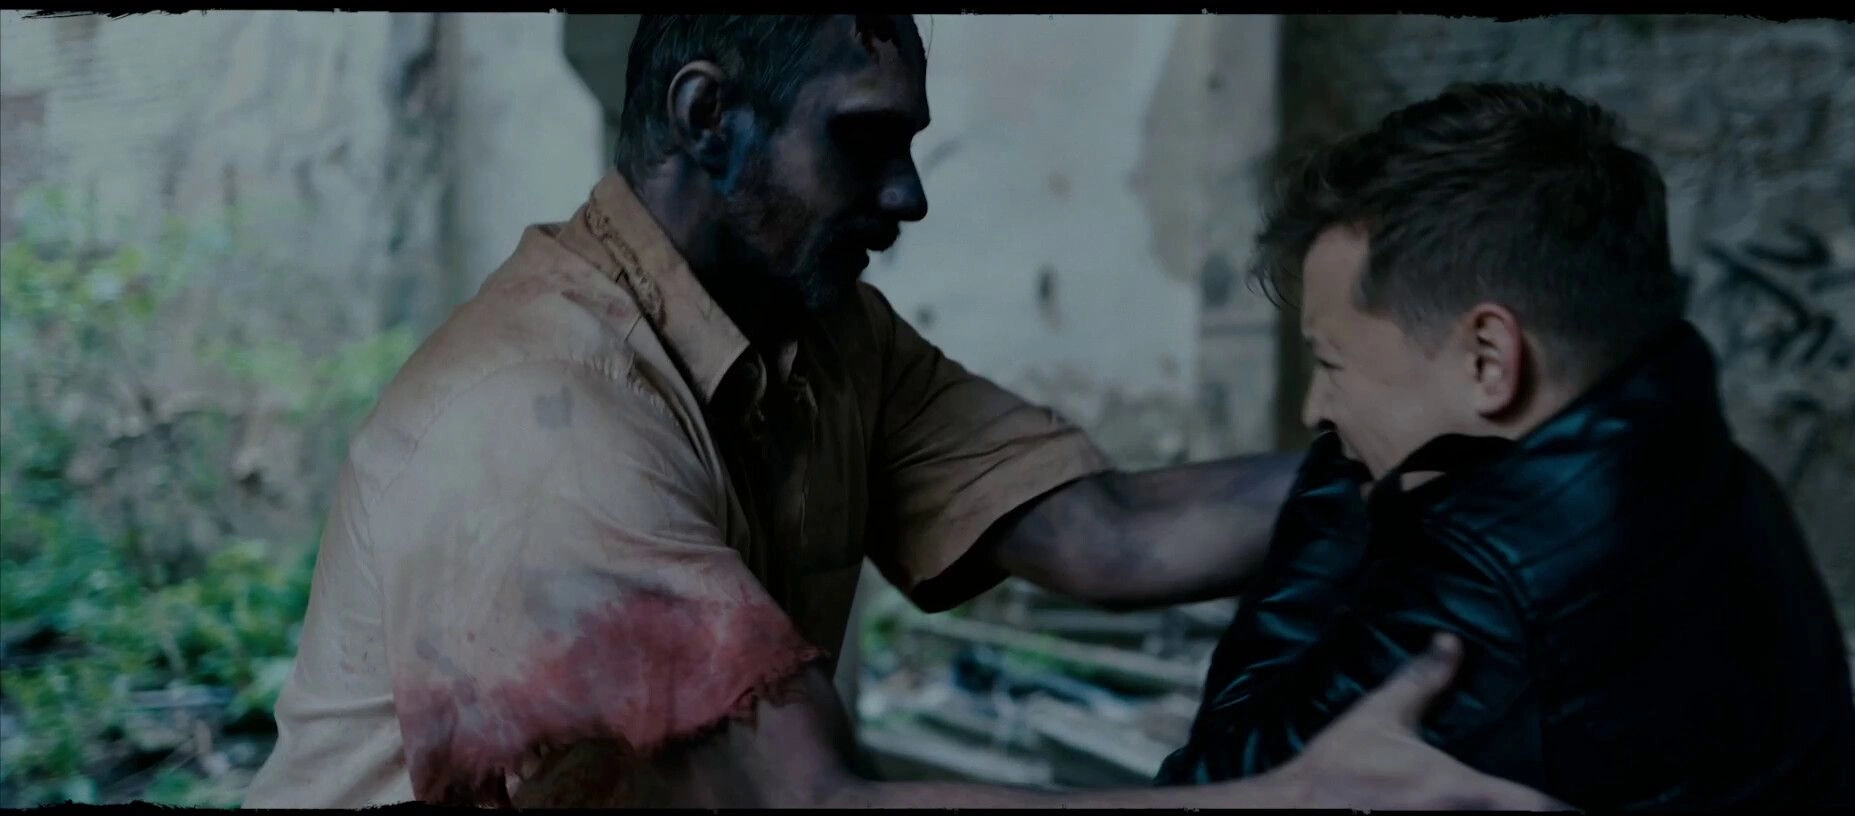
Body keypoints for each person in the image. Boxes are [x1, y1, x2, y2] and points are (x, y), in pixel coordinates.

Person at [242, 17, 1561, 809]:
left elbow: (1107, 530)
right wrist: (1297, 802)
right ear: (709, 118)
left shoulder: (824, 335)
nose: (910, 195)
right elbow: (811, 804)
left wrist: (1459, 451)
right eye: (865, 141)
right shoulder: (548, 423)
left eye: (912, 142)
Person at [1157, 82, 1855, 812]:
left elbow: (1220, 783)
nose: (1316, 407)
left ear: (1488, 358)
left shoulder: (1493, 587)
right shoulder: (1697, 463)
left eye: (1331, 362)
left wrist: (1350, 483)